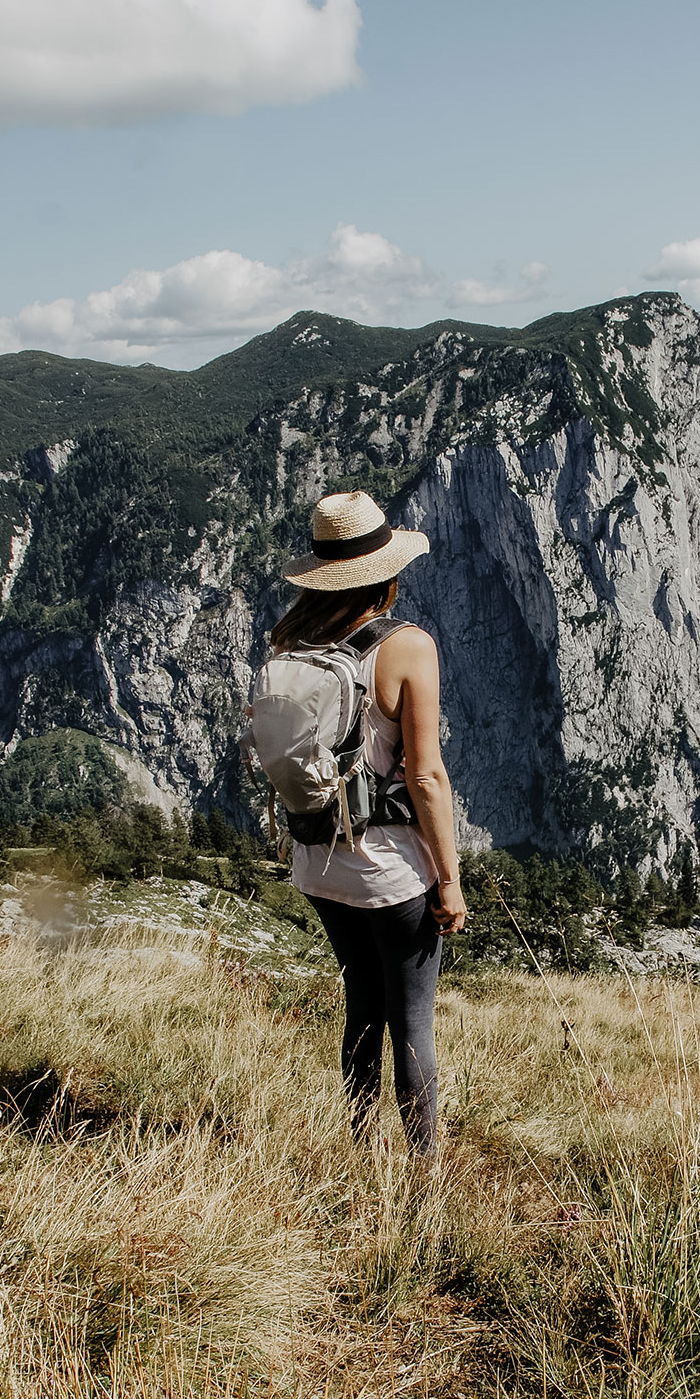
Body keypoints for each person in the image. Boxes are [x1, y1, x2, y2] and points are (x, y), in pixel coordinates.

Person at [270, 489, 467, 1156]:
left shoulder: (292, 640)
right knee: (411, 1017)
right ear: (384, 575)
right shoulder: (405, 647)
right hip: (388, 868)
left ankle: (359, 1144)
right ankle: (422, 1169)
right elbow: (425, 776)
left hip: (317, 859)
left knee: (362, 1002)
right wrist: (449, 880)